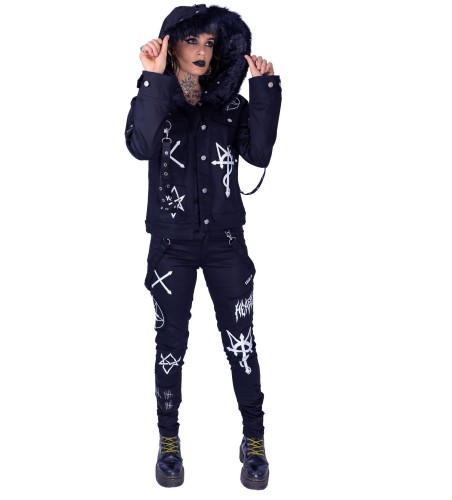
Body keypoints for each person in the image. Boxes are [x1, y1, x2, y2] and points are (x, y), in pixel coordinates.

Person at [125, 4, 282, 490]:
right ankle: (168, 440)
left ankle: (254, 439)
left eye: (210, 43)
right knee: (170, 343)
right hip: (171, 244)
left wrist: (263, 91)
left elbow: (258, 152)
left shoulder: (229, 105)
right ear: (172, 44)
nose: (201, 51)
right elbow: (139, 145)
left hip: (225, 243)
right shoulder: (154, 98)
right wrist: (153, 79)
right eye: (192, 40)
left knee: (241, 341)